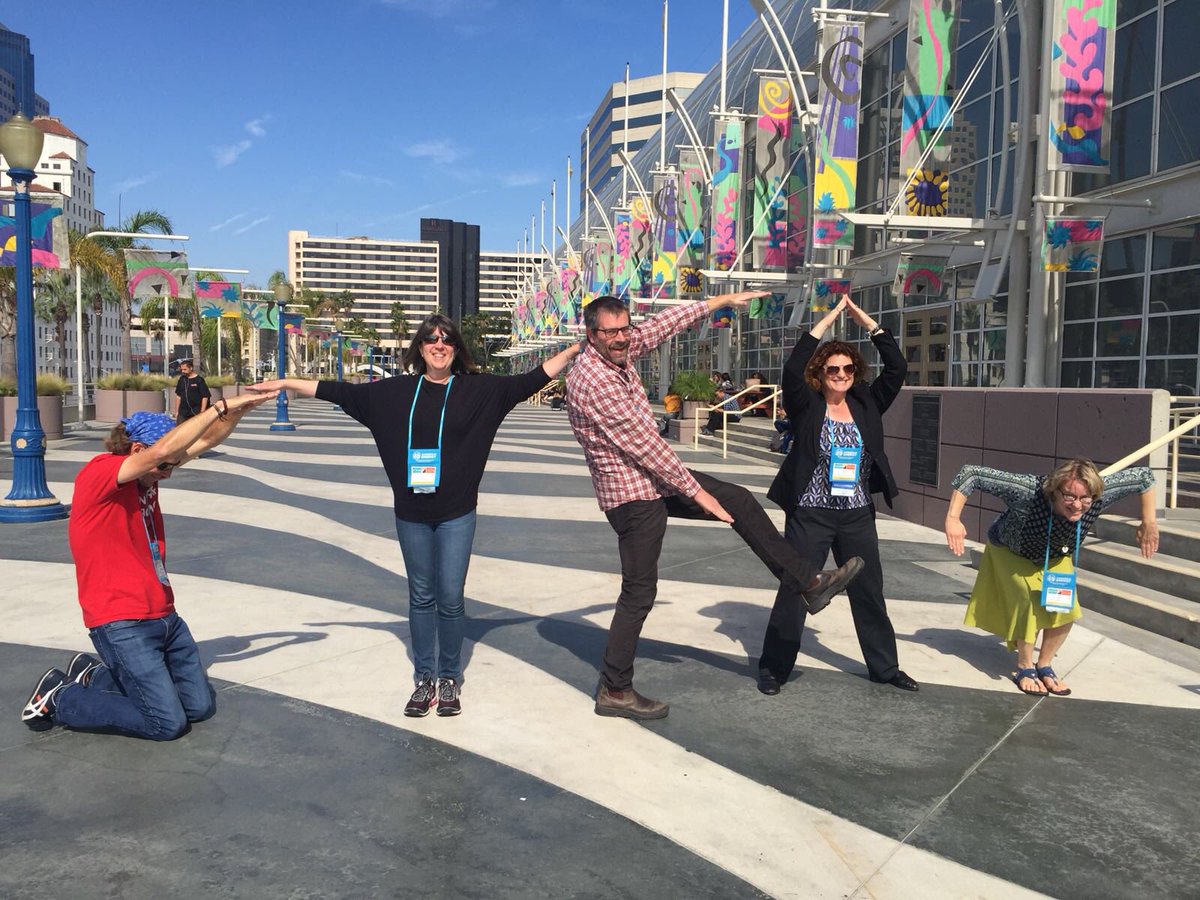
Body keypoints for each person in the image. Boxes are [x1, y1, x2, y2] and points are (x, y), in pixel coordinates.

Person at [253, 315, 580, 718]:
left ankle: (448, 677)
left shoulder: (478, 391)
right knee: (421, 598)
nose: (438, 346)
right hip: (411, 514)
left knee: (451, 600)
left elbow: (529, 380)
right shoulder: (394, 394)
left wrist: (571, 350)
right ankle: (424, 677)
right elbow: (335, 391)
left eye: (446, 340)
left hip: (457, 514)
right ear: (419, 348)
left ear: (456, 349)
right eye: (430, 340)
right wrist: (285, 384)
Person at [567, 292, 865, 720]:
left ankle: (807, 582)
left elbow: (665, 323)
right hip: (631, 495)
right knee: (639, 591)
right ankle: (615, 689)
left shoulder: (624, 345)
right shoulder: (591, 381)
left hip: (655, 482)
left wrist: (721, 300)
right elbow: (647, 446)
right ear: (591, 334)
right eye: (610, 332)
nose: (621, 338)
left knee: (739, 500)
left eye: (624, 328)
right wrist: (698, 494)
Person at [21, 393, 279, 737]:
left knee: (199, 708)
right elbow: (161, 453)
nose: (168, 472)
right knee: (166, 723)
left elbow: (202, 441)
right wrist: (218, 407)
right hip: (120, 619)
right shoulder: (101, 473)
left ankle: (93, 674)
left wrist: (237, 412)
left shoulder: (151, 473)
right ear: (137, 451)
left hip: (164, 614)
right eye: (164, 465)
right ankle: (60, 698)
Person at [757, 295, 919, 695]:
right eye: (833, 368)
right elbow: (793, 368)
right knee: (796, 589)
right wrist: (826, 321)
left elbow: (897, 368)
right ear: (822, 372)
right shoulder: (807, 405)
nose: (841, 374)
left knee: (869, 589)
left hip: (856, 513)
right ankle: (774, 669)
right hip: (811, 513)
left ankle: (885, 668)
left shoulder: (866, 402)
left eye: (848, 368)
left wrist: (870, 325)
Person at [946, 459, 1157, 696]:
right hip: (1011, 550)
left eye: (1085, 498)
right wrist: (953, 518)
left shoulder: (1099, 494)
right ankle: (1024, 667)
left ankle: (1044, 664)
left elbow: (1144, 477)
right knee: (1029, 601)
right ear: (1054, 490)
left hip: (1056, 555)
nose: (1078, 505)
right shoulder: (1027, 491)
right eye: (1069, 496)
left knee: (1066, 608)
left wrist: (1148, 521)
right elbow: (970, 473)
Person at [173, 359, 211, 424]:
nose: (183, 371)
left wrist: (202, 412)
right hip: (183, 412)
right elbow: (178, 396)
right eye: (182, 370)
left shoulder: (199, 380)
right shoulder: (182, 379)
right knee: (179, 430)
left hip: (196, 411)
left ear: (191, 368)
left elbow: (205, 396)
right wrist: (176, 411)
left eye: (185, 369)